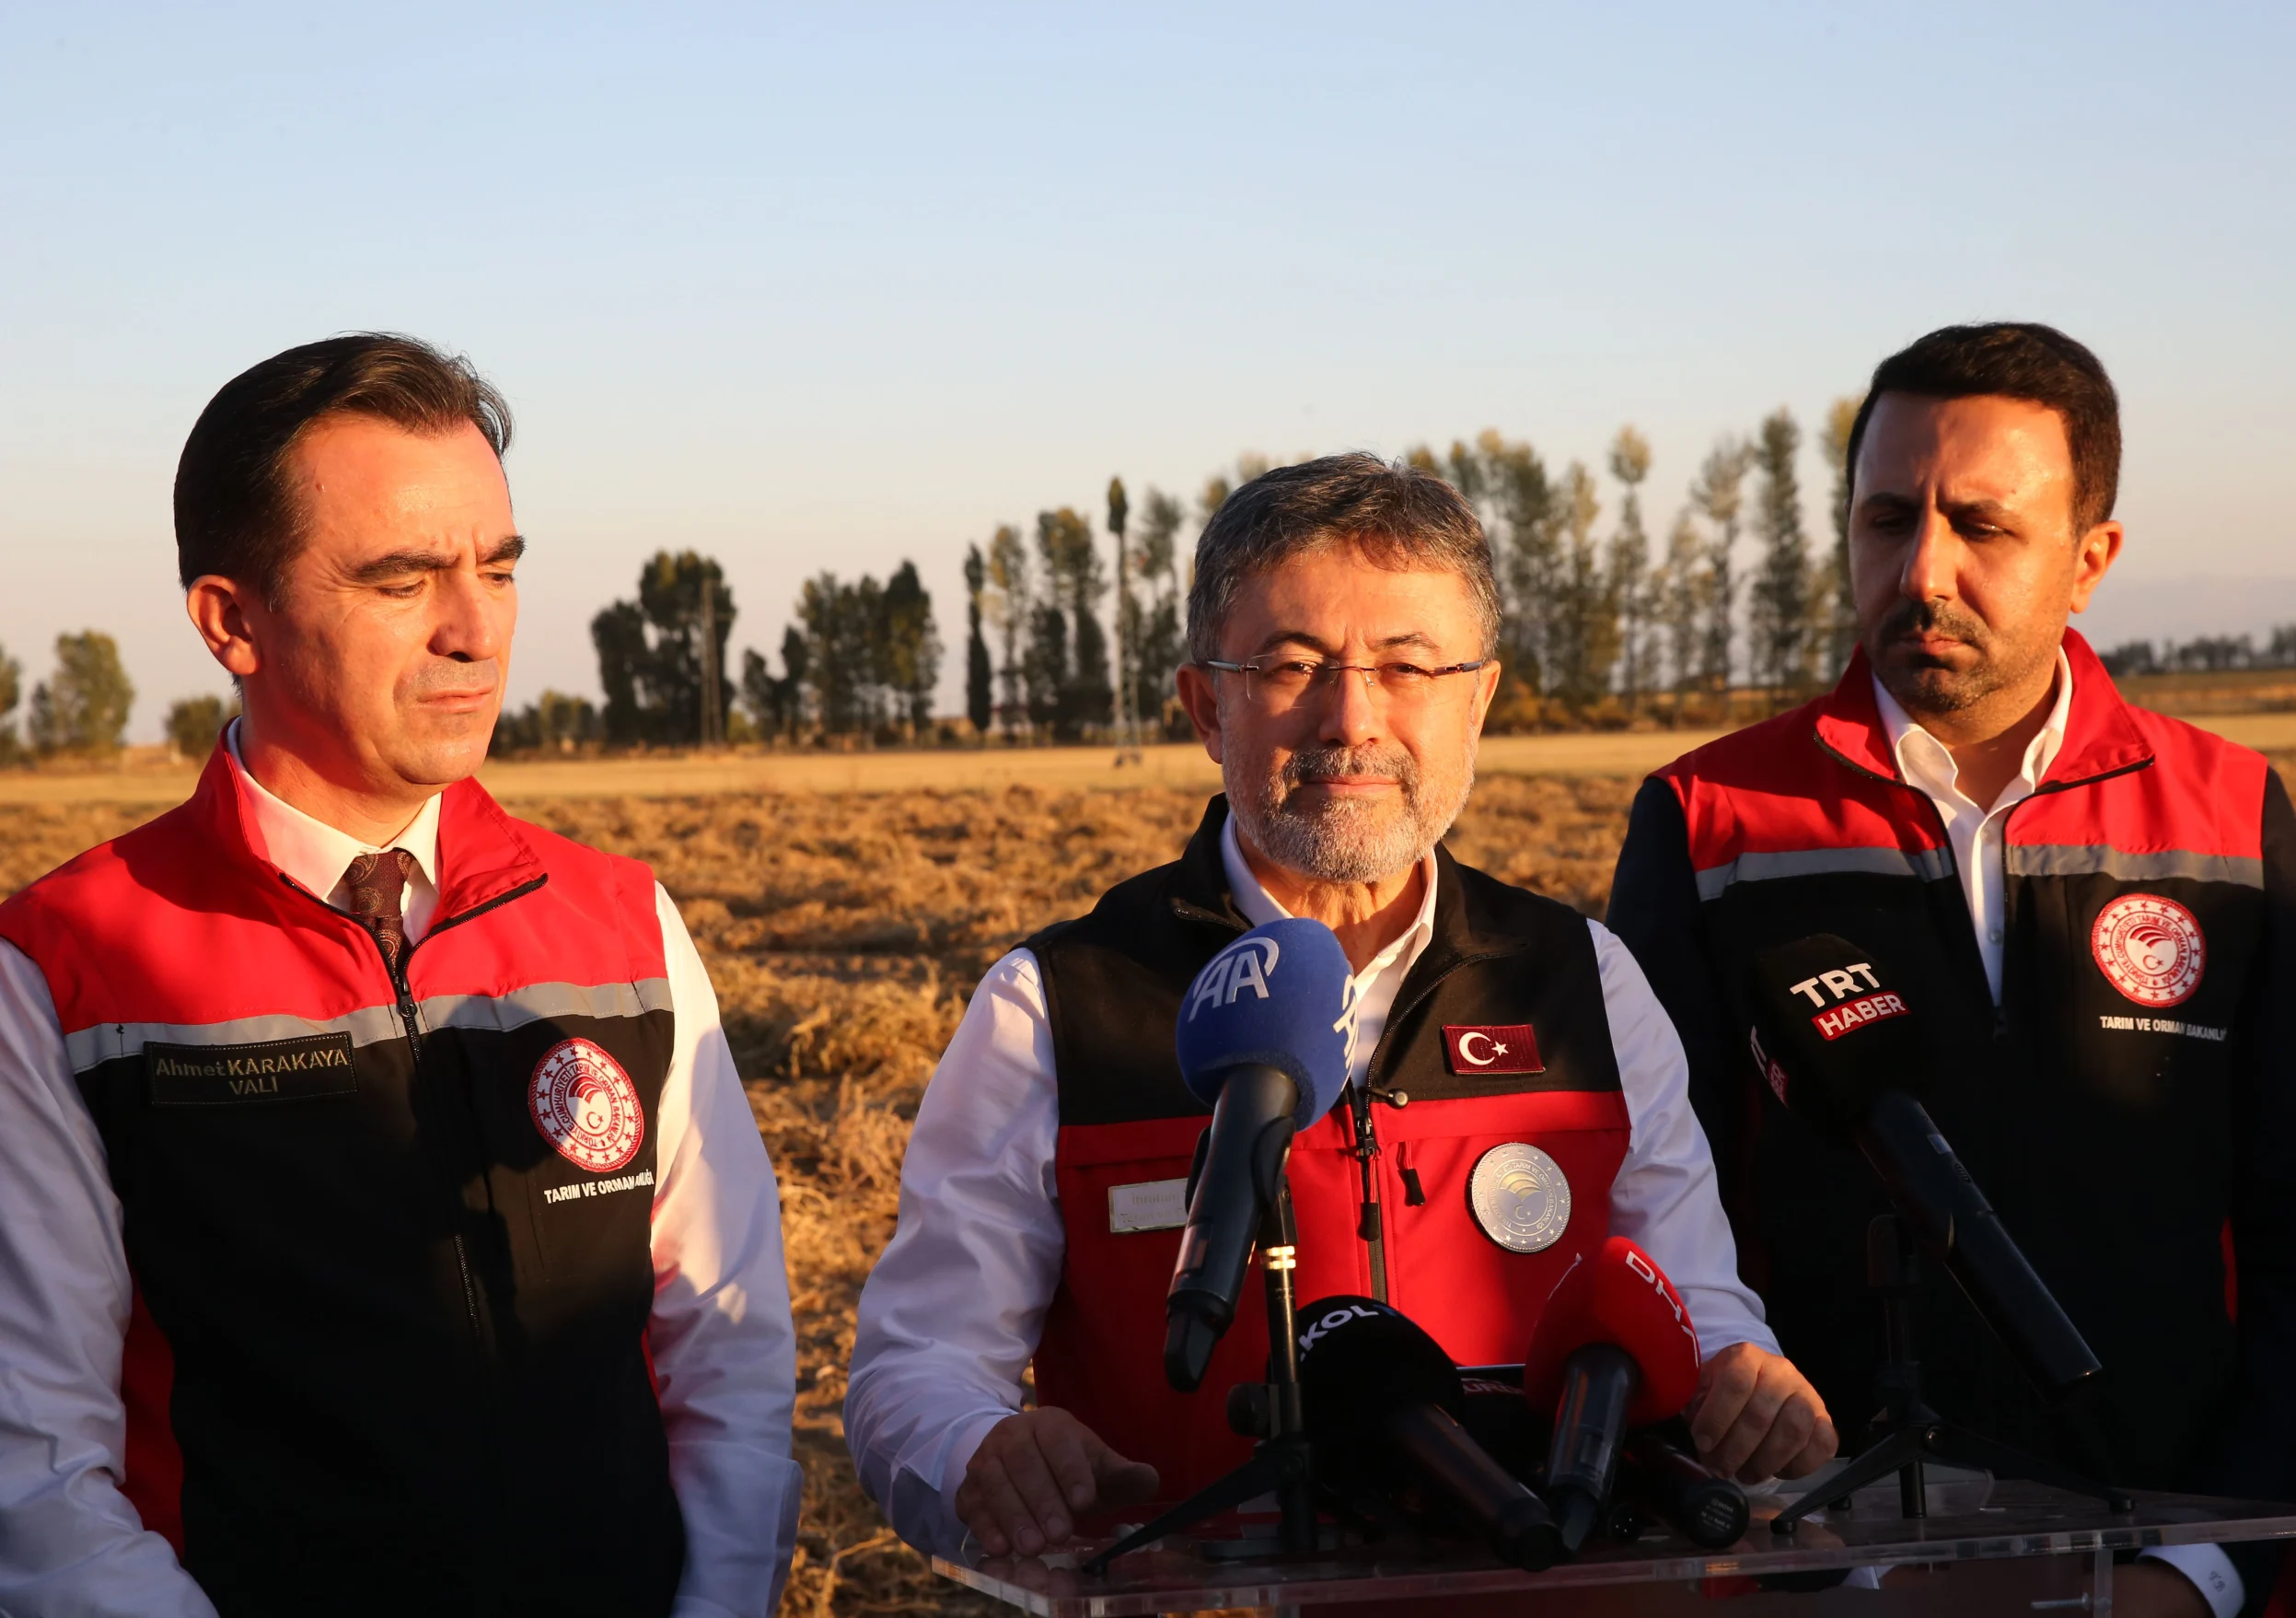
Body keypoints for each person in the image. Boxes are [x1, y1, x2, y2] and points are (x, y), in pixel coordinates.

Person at [845, 453, 1836, 1563]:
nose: (1351, 717)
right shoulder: (1060, 1006)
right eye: (1292, 664)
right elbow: (915, 1367)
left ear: (1480, 699)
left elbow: (1697, 1304)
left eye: (1408, 666)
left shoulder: (1584, 983)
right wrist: (976, 1444)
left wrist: (1740, 1376)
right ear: (1203, 707)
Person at [0, 335, 801, 1617]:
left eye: (497, 565)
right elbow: (37, 1477)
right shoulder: (61, 971)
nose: (475, 627)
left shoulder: (622, 923)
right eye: (401, 577)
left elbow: (734, 1356)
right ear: (231, 620)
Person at [1606, 322, 2296, 1618]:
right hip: (1830, 1564)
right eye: (1887, 518)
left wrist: (2210, 1569)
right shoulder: (1710, 821)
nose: (1923, 569)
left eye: (1983, 527)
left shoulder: (2227, 813)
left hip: (2158, 1552)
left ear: (2091, 559)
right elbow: (1658, 1216)